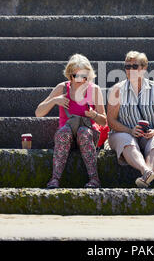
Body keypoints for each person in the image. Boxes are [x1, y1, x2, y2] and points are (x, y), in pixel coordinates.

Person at [35, 54, 107, 189]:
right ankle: (55, 179)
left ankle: (94, 179)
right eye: (76, 76)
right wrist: (55, 100)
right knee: (64, 132)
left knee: (83, 132)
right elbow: (38, 113)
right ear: (69, 75)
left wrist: (94, 115)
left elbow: (104, 122)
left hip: (87, 136)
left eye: (84, 76)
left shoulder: (94, 90)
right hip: (66, 136)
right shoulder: (62, 88)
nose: (80, 80)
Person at [107, 51, 154, 188]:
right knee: (125, 139)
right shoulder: (117, 90)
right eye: (127, 67)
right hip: (123, 133)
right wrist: (130, 130)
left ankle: (146, 176)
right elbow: (110, 120)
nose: (130, 70)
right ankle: (146, 171)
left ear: (144, 68)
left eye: (134, 67)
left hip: (148, 134)